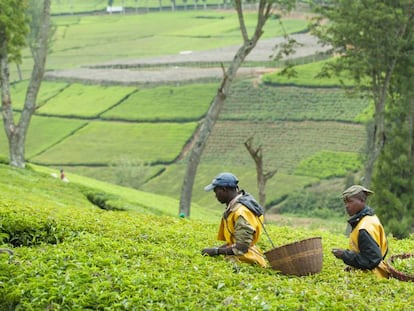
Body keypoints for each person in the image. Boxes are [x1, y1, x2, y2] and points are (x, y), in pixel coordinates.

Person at [201, 172, 267, 267]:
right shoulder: (235, 207)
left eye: (216, 191)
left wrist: (216, 251)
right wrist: (215, 249)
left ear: (224, 189)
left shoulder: (241, 212)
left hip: (247, 261)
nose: (215, 195)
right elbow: (235, 242)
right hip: (243, 258)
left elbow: (241, 248)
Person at [332, 185, 389, 278]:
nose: (347, 206)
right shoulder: (370, 218)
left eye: (350, 201)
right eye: (345, 202)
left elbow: (371, 260)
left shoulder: (364, 227)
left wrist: (344, 255)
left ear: (362, 201)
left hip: (373, 278)